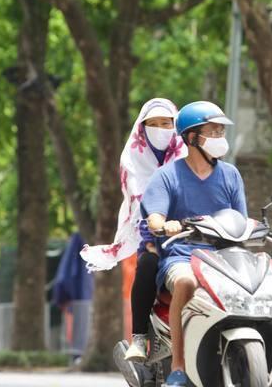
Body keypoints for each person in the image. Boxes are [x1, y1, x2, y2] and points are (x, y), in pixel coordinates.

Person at [140, 101, 247, 386]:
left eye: (221, 131)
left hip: (226, 258)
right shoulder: (167, 176)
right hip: (182, 256)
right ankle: (178, 367)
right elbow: (154, 216)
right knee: (186, 282)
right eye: (213, 131)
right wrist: (163, 224)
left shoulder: (231, 175)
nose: (220, 136)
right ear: (191, 137)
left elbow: (241, 219)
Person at [79, 97, 187, 360]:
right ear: (142, 128)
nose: (160, 129)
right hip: (154, 235)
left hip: (195, 238)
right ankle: (139, 337)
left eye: (166, 123)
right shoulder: (133, 160)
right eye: (153, 124)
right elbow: (142, 206)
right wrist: (159, 227)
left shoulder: (191, 159)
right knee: (148, 263)